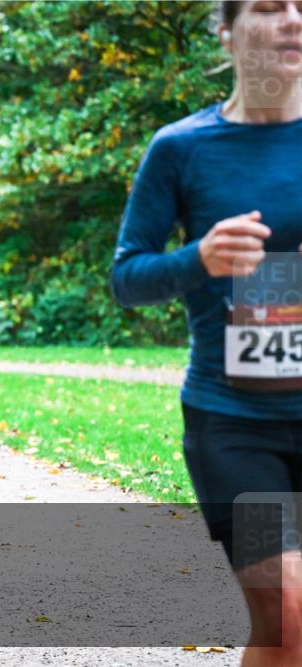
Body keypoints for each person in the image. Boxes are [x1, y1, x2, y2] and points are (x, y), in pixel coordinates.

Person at [111, 2, 301, 663]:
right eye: (271, 6)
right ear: (225, 31)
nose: (293, 20)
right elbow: (127, 277)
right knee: (287, 611)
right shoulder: (181, 148)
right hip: (232, 422)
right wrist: (201, 258)